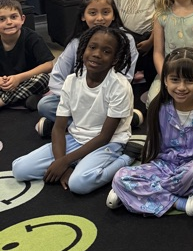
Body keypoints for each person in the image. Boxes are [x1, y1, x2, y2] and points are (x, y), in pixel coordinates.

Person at [108, 48, 193, 221]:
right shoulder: (159, 107)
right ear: (165, 80)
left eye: (189, 81)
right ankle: (184, 203)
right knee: (121, 177)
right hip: (164, 166)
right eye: (174, 80)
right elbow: (153, 145)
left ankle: (136, 194)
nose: (181, 87)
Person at [12, 26, 134, 194]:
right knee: (19, 169)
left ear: (115, 59)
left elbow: (105, 136)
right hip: (76, 138)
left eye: (106, 51)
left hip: (107, 142)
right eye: (92, 47)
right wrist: (62, 164)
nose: (97, 54)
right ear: (83, 49)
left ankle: (127, 158)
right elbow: (59, 127)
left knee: (79, 184)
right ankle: (78, 163)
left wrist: (64, 161)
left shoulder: (119, 86)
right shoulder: (72, 80)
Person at [35, 0, 138, 137]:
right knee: (45, 105)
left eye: (106, 12)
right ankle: (110, 128)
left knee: (114, 108)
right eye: (93, 13)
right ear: (83, 16)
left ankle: (64, 125)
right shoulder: (76, 42)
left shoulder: (126, 40)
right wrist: (73, 97)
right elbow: (57, 77)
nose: (100, 18)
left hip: (107, 100)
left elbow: (126, 77)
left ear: (114, 14)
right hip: (78, 100)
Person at [0, 0, 53, 109]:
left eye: (13, 17)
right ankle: (22, 99)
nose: (9, 22)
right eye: (2, 19)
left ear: (22, 19)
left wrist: (19, 78)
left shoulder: (32, 37)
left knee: (44, 79)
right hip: (4, 83)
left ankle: (3, 101)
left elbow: (48, 65)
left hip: (27, 80)